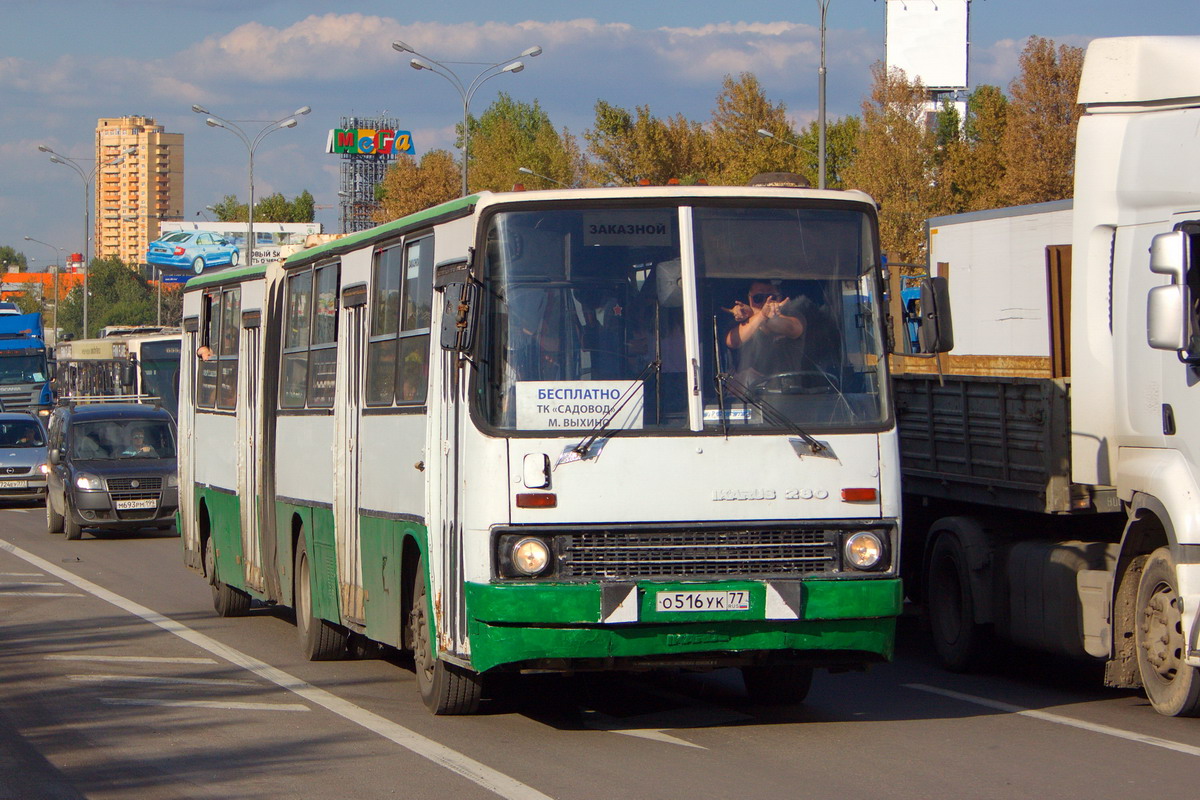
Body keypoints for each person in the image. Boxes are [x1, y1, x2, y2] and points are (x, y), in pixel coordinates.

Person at [723, 280, 807, 384]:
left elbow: (794, 329)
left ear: (780, 298)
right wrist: (761, 315)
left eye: (772, 298)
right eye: (758, 298)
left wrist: (757, 313)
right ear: (749, 298)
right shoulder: (740, 321)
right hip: (747, 396)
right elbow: (733, 341)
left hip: (789, 395)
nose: (765, 303)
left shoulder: (792, 316)